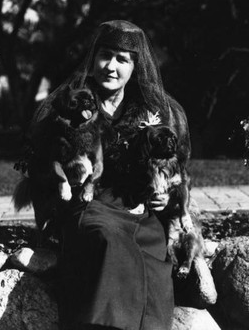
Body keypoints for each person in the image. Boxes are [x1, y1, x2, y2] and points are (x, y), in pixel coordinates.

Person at [25, 20, 191, 330]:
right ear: (93, 56)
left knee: (152, 261)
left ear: (135, 66)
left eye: (122, 59)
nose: (111, 67)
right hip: (85, 205)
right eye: (105, 55)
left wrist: (164, 193)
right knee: (108, 241)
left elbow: (174, 168)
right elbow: (42, 167)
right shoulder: (70, 103)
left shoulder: (151, 110)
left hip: (135, 209)